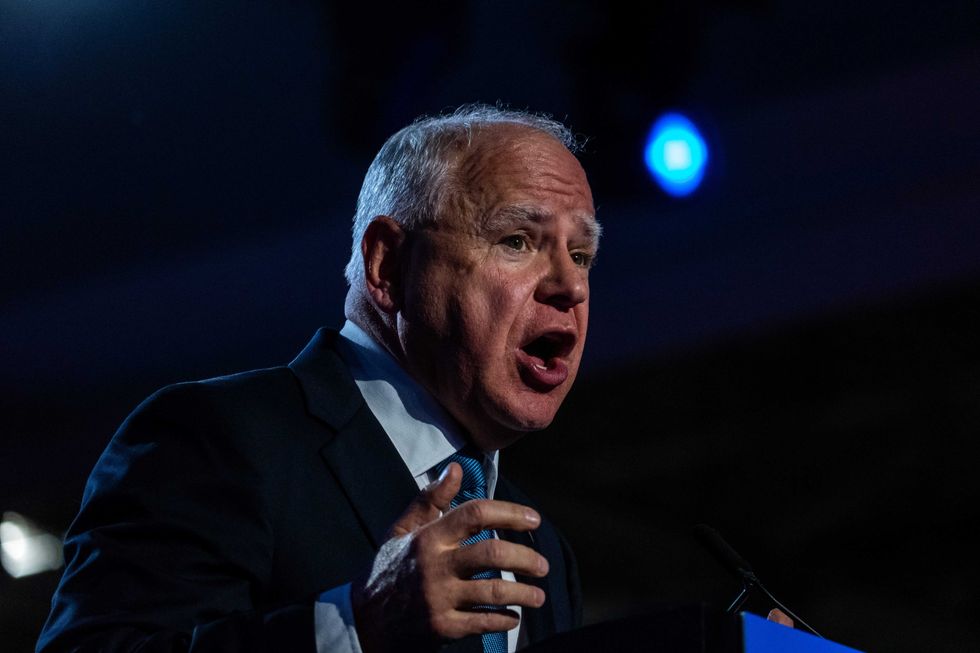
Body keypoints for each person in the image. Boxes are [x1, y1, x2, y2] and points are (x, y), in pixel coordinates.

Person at [37, 105, 601, 653]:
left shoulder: (538, 542)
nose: (570, 287)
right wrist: (355, 626)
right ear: (387, 266)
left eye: (580, 255)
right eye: (517, 242)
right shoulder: (220, 438)